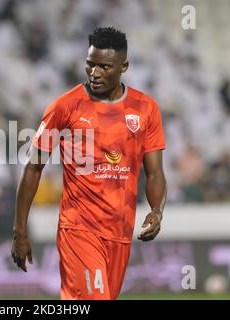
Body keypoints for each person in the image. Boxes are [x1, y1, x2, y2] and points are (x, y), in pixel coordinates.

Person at [11, 27, 167, 300]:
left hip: (120, 232)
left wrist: (157, 210)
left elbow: (154, 173)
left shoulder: (145, 108)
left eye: (104, 67)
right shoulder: (65, 107)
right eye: (90, 64)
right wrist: (19, 230)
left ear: (124, 66)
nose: (94, 73)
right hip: (79, 228)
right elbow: (33, 167)